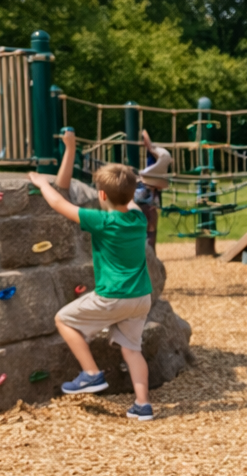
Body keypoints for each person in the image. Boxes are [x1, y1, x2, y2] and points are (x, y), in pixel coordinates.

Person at [28, 132, 157, 422]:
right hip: (141, 298)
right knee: (132, 350)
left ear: (101, 196)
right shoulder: (138, 219)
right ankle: (142, 405)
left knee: (64, 319)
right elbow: (129, 199)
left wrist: (41, 183)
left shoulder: (102, 221)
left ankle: (91, 373)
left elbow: (60, 205)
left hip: (113, 296)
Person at [134, 130, 172, 248]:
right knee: (150, 222)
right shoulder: (159, 162)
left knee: (147, 222)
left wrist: (144, 133)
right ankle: (150, 251)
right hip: (150, 193)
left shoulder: (153, 159)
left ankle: (149, 251)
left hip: (146, 191)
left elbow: (146, 137)